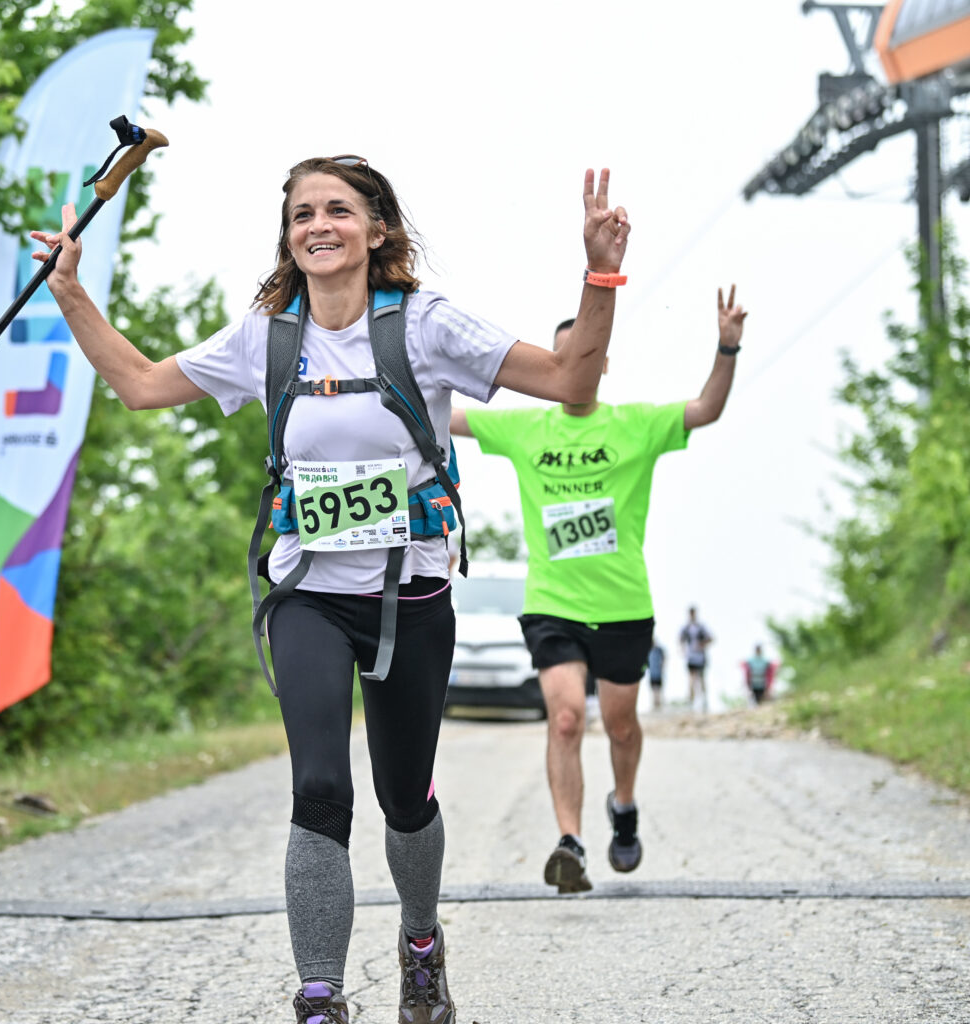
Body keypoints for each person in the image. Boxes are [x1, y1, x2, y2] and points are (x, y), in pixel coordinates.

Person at [31, 155, 629, 1023]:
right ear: (288, 237)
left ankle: (420, 943)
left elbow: (572, 380)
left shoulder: (427, 326)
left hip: (410, 594)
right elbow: (140, 385)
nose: (319, 225)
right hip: (306, 592)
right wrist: (70, 292)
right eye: (302, 213)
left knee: (405, 797)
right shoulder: (267, 338)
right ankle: (320, 997)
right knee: (320, 788)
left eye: (338, 210)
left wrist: (599, 275)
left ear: (377, 229)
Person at [451, 291, 748, 893]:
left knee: (620, 726)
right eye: (562, 359)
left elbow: (707, 408)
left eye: (586, 357)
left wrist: (727, 347)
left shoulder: (637, 424)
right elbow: (441, 416)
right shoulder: (524, 427)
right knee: (564, 720)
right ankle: (571, 843)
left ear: (602, 362)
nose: (575, 367)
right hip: (553, 603)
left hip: (622, 605)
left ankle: (625, 804)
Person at [680, 605, 713, 713]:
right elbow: (680, 640)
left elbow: (711, 638)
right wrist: (683, 650)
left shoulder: (701, 627)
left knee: (702, 679)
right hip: (691, 657)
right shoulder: (686, 628)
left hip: (701, 657)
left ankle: (704, 701)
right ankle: (691, 702)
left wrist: (702, 644)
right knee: (691, 679)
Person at [646, 635, 666, 711]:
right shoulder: (649, 650)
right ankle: (655, 703)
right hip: (652, 673)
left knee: (658, 689)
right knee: (654, 689)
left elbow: (664, 659)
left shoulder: (659, 650)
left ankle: (658, 703)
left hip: (658, 673)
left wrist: (662, 667)